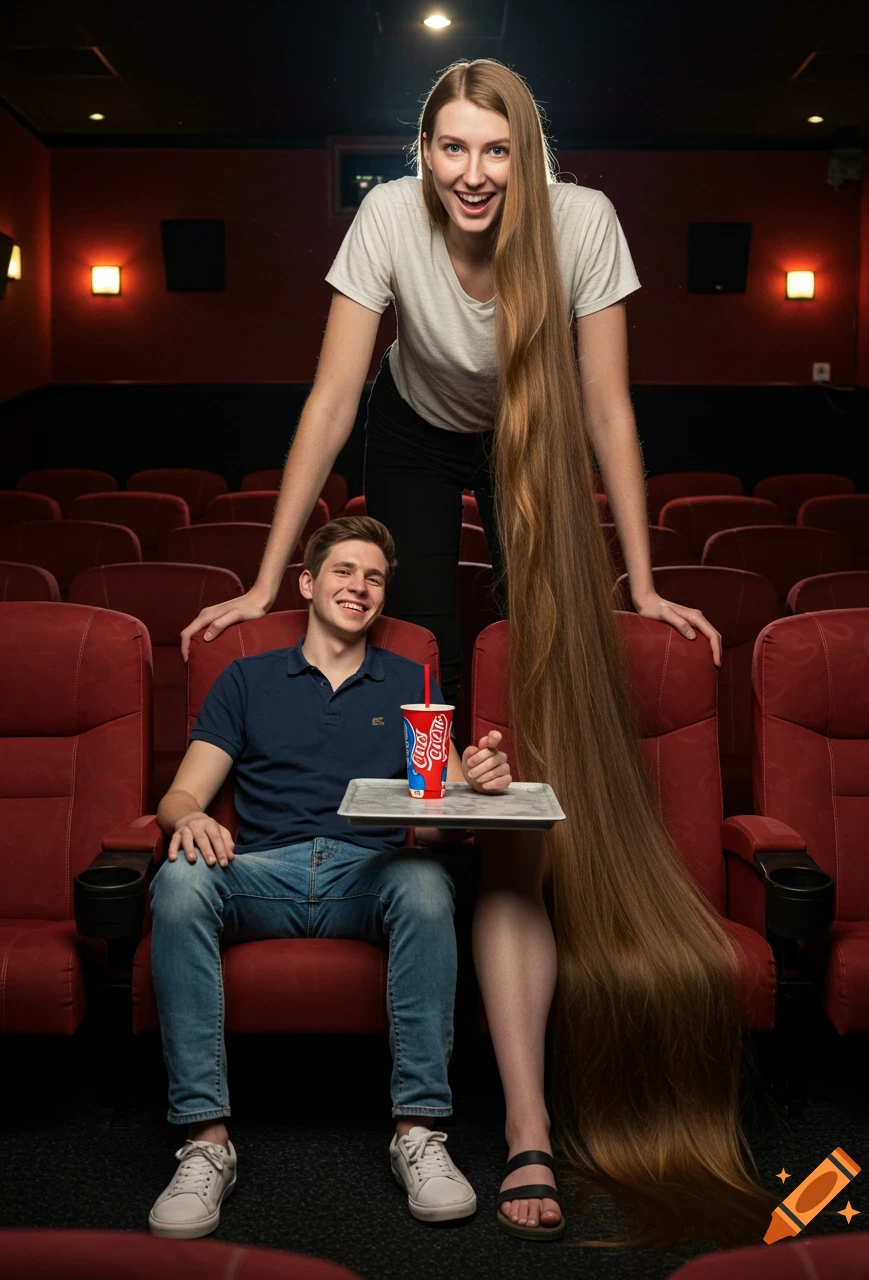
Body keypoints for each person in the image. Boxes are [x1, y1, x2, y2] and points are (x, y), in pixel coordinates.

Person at [181, 59, 776, 1251]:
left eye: (495, 150)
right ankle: (426, 891)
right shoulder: (390, 215)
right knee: (425, 650)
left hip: (532, 413)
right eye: (450, 147)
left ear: (530, 156)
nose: (472, 173)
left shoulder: (584, 218)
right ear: (421, 152)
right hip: (410, 422)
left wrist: (642, 581)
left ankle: (503, 891)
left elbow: (606, 407)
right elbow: (332, 395)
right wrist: (263, 569)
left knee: (526, 643)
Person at [149, 515, 512, 1239]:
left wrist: (478, 784)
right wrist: (188, 818)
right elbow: (180, 796)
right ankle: (204, 1143)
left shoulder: (412, 682)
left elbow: (434, 815)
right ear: (310, 583)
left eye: (374, 577)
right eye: (345, 571)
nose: (360, 587)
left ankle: (419, 1133)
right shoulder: (246, 678)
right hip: (263, 874)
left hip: (367, 873)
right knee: (178, 880)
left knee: (424, 881)